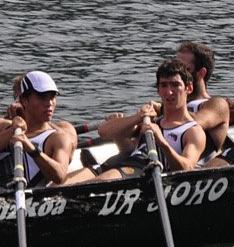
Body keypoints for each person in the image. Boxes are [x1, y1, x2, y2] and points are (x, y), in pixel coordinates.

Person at [65, 59, 207, 182]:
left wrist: (161, 141)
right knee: (58, 186)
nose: (169, 92)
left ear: (188, 88)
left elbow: (187, 169)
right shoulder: (149, 120)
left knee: (97, 183)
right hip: (117, 164)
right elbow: (104, 132)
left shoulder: (193, 131)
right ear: (158, 90)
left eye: (175, 85)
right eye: (164, 85)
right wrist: (137, 117)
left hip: (142, 171)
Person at [175, 41, 233, 159]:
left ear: (201, 73)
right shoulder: (172, 104)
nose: (177, 75)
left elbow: (194, 122)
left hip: (188, 167)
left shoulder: (217, 105)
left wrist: (162, 110)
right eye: (176, 68)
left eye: (185, 69)